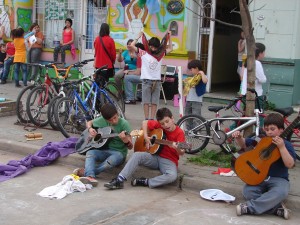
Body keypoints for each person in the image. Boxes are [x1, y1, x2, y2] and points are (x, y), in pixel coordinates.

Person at [232, 113, 296, 220]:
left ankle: (249, 207)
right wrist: (239, 137)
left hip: (278, 179)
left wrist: (281, 147)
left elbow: (290, 164)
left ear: (281, 130)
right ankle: (276, 208)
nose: (269, 132)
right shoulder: (260, 139)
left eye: (272, 129)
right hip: (258, 177)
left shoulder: (286, 144)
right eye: (267, 129)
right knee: (248, 192)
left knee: (281, 192)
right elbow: (244, 145)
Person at [104, 107, 185, 190]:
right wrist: (146, 137)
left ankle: (146, 181)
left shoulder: (180, 133)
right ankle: (119, 180)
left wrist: (177, 148)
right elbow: (145, 122)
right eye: (162, 124)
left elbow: (182, 152)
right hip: (154, 156)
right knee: (137, 155)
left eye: (167, 121)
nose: (165, 125)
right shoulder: (159, 125)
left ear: (172, 119)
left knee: (172, 176)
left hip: (169, 161)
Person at [73, 103, 133, 187]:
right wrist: (90, 129)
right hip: (104, 149)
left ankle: (88, 172)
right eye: (110, 120)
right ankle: (90, 177)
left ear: (117, 114)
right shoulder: (102, 120)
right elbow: (89, 123)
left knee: (109, 162)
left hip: (119, 153)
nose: (114, 121)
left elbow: (130, 147)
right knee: (90, 153)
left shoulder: (124, 124)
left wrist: (125, 141)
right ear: (105, 119)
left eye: (115, 118)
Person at [128, 31, 173, 120]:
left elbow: (171, 48)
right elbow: (132, 46)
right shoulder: (144, 53)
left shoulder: (160, 54)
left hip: (156, 81)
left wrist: (170, 37)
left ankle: (152, 119)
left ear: (157, 47)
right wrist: (138, 36)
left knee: (154, 102)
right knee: (145, 102)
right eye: (151, 46)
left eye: (154, 47)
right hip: (146, 80)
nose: (152, 49)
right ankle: (146, 118)